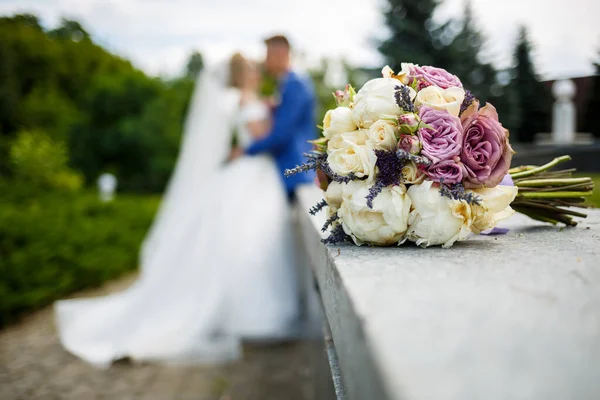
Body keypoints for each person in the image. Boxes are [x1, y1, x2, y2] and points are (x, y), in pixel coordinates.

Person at [54, 52, 309, 368]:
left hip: (255, 174)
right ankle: (251, 315)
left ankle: (250, 312)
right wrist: (273, 118)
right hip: (253, 173)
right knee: (249, 242)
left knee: (251, 242)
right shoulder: (245, 97)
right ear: (242, 74)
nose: (257, 73)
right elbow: (261, 137)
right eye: (253, 69)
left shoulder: (248, 96)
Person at [232, 35, 316, 197]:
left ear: (280, 54)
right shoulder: (289, 83)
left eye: (268, 55)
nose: (265, 61)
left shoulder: (294, 84)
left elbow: (281, 134)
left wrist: (246, 150)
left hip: (295, 167)